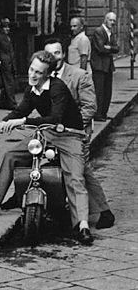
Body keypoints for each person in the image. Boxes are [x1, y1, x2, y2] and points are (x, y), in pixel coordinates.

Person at [0, 50, 94, 245]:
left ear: (47, 74)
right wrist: (4, 122)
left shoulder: (57, 88)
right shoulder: (31, 89)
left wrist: (22, 121)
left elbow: (55, 118)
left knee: (75, 178)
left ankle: (82, 225)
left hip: (69, 136)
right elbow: (21, 109)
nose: (33, 75)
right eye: (32, 70)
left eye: (39, 72)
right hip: (46, 134)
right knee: (11, 156)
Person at [43, 40, 114, 229]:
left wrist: (68, 126)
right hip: (55, 131)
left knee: (81, 170)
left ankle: (104, 212)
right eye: (50, 55)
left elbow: (90, 107)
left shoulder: (79, 75)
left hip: (77, 131)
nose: (54, 58)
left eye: (57, 53)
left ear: (64, 54)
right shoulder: (44, 76)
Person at [90, 11, 120, 121]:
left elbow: (117, 48)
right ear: (105, 19)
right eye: (110, 20)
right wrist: (110, 48)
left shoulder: (111, 32)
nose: (112, 22)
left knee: (108, 91)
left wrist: (109, 47)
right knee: (99, 91)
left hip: (108, 66)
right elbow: (101, 48)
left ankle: (103, 113)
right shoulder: (99, 31)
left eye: (114, 21)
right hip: (99, 66)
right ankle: (98, 114)